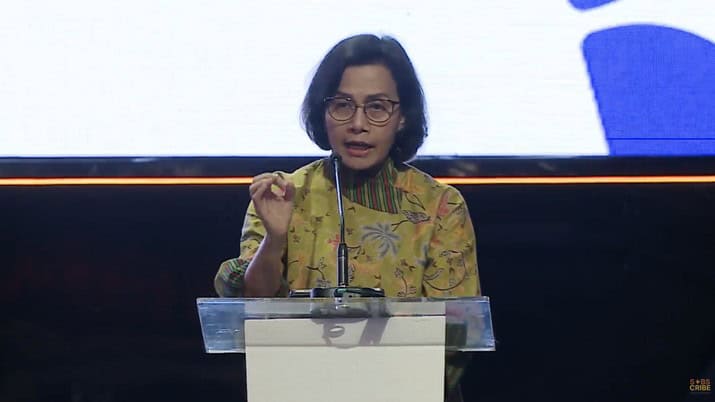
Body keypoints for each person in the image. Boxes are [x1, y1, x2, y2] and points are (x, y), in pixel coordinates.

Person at [214, 34, 481, 401]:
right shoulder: (284, 194)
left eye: (377, 107)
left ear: (403, 117)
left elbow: (457, 332)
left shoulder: (439, 205)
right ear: (322, 112)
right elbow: (250, 307)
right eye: (342, 105)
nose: (358, 123)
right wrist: (274, 240)